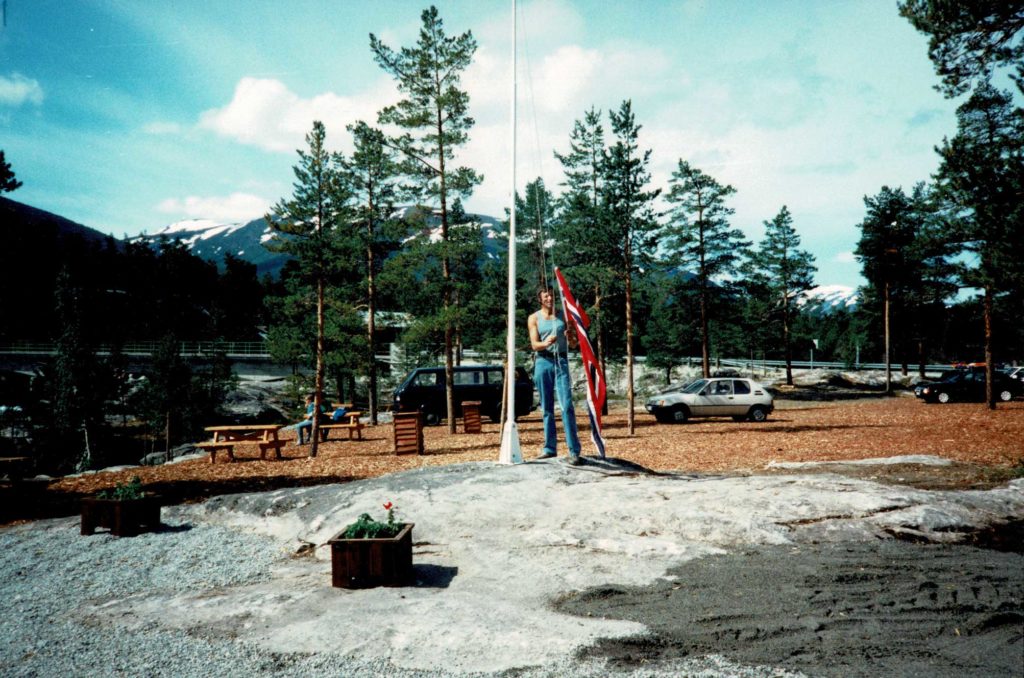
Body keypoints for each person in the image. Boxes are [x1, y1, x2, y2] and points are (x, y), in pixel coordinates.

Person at [528, 286, 582, 465]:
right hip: (543, 362)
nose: (550, 298)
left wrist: (570, 336)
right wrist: (545, 343)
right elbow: (535, 345)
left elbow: (574, 344)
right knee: (547, 408)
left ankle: (574, 450)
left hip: (561, 362)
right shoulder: (534, 318)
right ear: (540, 299)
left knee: (566, 405)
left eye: (551, 295)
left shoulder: (564, 316)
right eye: (546, 296)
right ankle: (549, 448)